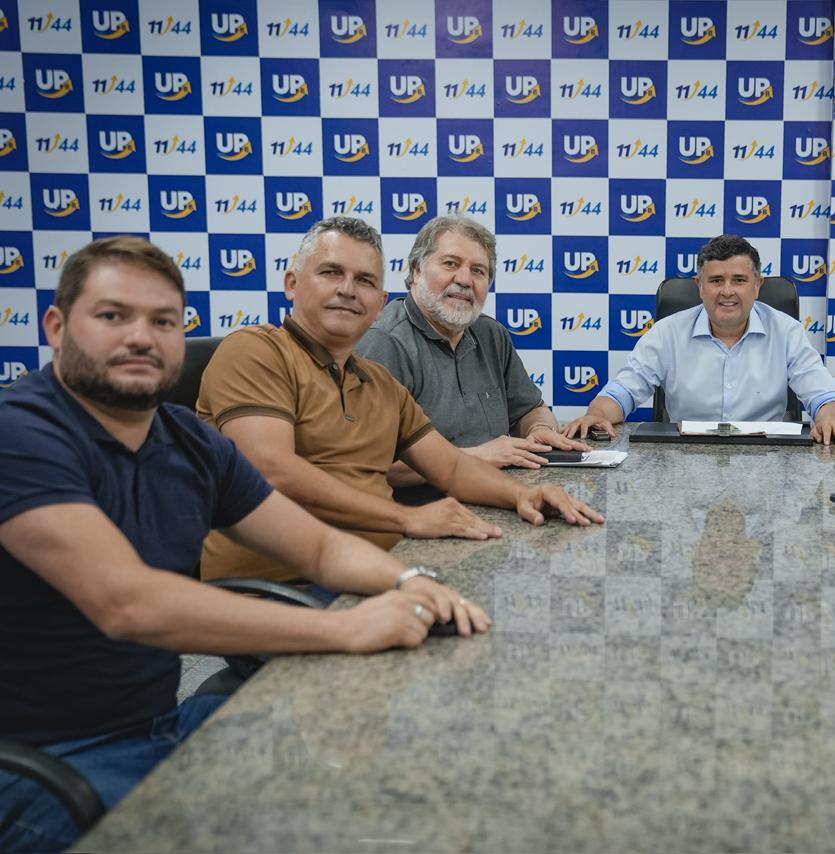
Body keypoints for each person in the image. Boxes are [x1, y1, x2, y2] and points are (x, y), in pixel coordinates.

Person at [0, 236, 491, 853]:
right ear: (56, 327)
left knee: (365, 792)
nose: (141, 338)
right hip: (43, 763)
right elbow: (128, 603)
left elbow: (319, 550)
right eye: (112, 316)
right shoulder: (19, 432)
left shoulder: (184, 438)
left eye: (163, 322)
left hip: (158, 727)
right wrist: (344, 628)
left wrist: (411, 583)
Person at [197, 217, 603, 584]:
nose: (347, 290)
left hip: (381, 569)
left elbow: (451, 467)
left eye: (365, 281)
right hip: (287, 589)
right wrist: (406, 518)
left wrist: (522, 495)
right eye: (331, 273)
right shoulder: (254, 351)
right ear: (291, 284)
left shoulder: (378, 382)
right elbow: (271, 471)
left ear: (379, 304)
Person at [562, 233, 835, 445]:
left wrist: (829, 420)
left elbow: (827, 397)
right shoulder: (668, 332)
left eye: (739, 280)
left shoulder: (786, 331)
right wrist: (597, 414)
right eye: (716, 281)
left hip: (767, 459)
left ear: (757, 285)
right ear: (700, 286)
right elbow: (622, 391)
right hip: (683, 460)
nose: (727, 291)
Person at [355, 215, 590, 476]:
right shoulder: (384, 342)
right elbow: (366, 465)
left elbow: (531, 409)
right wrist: (477, 457)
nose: (465, 280)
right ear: (416, 271)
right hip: (427, 500)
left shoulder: (491, 334)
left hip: (502, 489)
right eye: (450, 264)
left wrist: (540, 429)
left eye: (478, 271)